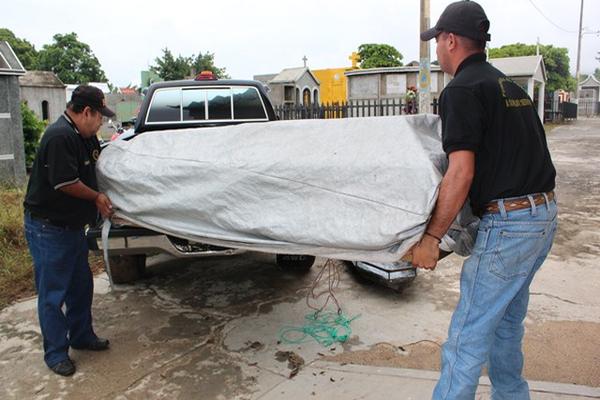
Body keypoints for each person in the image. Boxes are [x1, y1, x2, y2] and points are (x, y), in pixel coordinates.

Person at [413, 1, 558, 399]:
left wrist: (430, 238)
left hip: (511, 226)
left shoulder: (460, 91)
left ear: (452, 40)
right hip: (542, 218)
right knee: (506, 324)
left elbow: (461, 172)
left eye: (438, 42)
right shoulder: (509, 87)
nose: (437, 51)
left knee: (468, 335)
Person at [23, 85, 116, 376]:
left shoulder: (85, 137)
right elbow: (65, 183)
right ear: (86, 112)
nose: (102, 122)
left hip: (72, 228)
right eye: (100, 116)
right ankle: (55, 353)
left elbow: (99, 166)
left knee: (80, 285)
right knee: (53, 293)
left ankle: (81, 335)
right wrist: (98, 198)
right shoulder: (60, 136)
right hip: (49, 229)